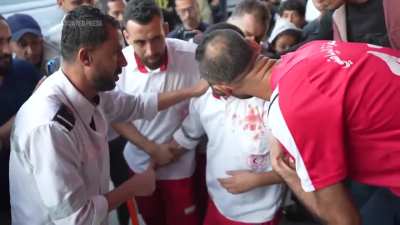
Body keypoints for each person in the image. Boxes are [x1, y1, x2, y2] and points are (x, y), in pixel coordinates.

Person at [9, 6, 206, 225]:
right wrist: (133, 187)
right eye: (115, 53)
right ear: (85, 57)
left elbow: (137, 104)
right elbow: (76, 218)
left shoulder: (88, 90)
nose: (124, 62)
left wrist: (192, 91)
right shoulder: (49, 127)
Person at [194, 30, 400, 225]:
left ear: (224, 89)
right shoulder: (311, 49)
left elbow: (344, 219)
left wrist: (287, 174)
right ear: (253, 44)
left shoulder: (292, 107)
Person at [168, 27, 284, 225]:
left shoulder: (275, 101)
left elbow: (301, 167)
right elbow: (186, 136)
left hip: (259, 212)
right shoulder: (204, 97)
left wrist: (257, 180)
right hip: (218, 201)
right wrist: (152, 157)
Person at [110, 1, 203, 225]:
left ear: (166, 29)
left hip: (182, 165)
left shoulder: (192, 56)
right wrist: (152, 149)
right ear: (126, 36)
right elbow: (112, 114)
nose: (151, 51)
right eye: (141, 42)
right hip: (139, 166)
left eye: (156, 38)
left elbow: (204, 106)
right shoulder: (117, 66)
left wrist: (175, 146)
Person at [0, 14, 43, 225]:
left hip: (40, 196)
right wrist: (29, 109)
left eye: (8, 41)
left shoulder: (25, 71)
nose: (7, 50)